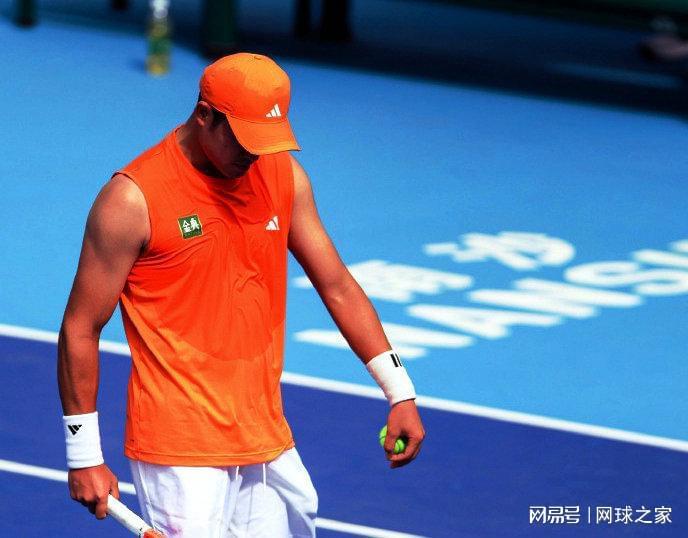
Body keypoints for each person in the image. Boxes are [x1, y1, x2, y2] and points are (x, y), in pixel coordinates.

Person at [56, 53, 425, 537]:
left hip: (264, 433)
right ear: (204, 115)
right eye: (246, 139)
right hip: (180, 443)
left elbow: (336, 285)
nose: (255, 155)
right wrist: (83, 453)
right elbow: (80, 327)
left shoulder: (283, 176)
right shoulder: (132, 200)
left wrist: (399, 390)